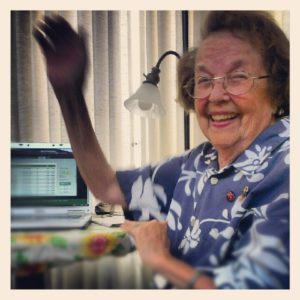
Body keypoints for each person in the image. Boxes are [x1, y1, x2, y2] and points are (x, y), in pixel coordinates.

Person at [33, 11, 289, 289]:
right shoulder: (198, 163)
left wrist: (160, 260)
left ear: (276, 87)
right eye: (204, 80)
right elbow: (107, 186)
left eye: (238, 76)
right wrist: (70, 96)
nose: (215, 96)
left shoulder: (286, 168)